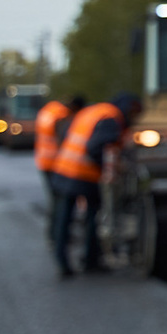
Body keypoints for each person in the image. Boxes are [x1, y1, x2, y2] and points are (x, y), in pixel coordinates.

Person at [51, 93, 135, 277]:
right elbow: (96, 147)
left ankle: (62, 262)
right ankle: (90, 260)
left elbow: (64, 133)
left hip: (64, 167)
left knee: (64, 218)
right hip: (84, 173)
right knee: (92, 217)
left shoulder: (92, 110)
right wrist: (107, 169)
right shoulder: (111, 118)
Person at [34, 93, 83, 257]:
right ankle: (58, 236)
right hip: (56, 163)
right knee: (60, 202)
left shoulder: (48, 110)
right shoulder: (61, 115)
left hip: (43, 161)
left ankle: (54, 236)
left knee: (55, 200)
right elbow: (63, 137)